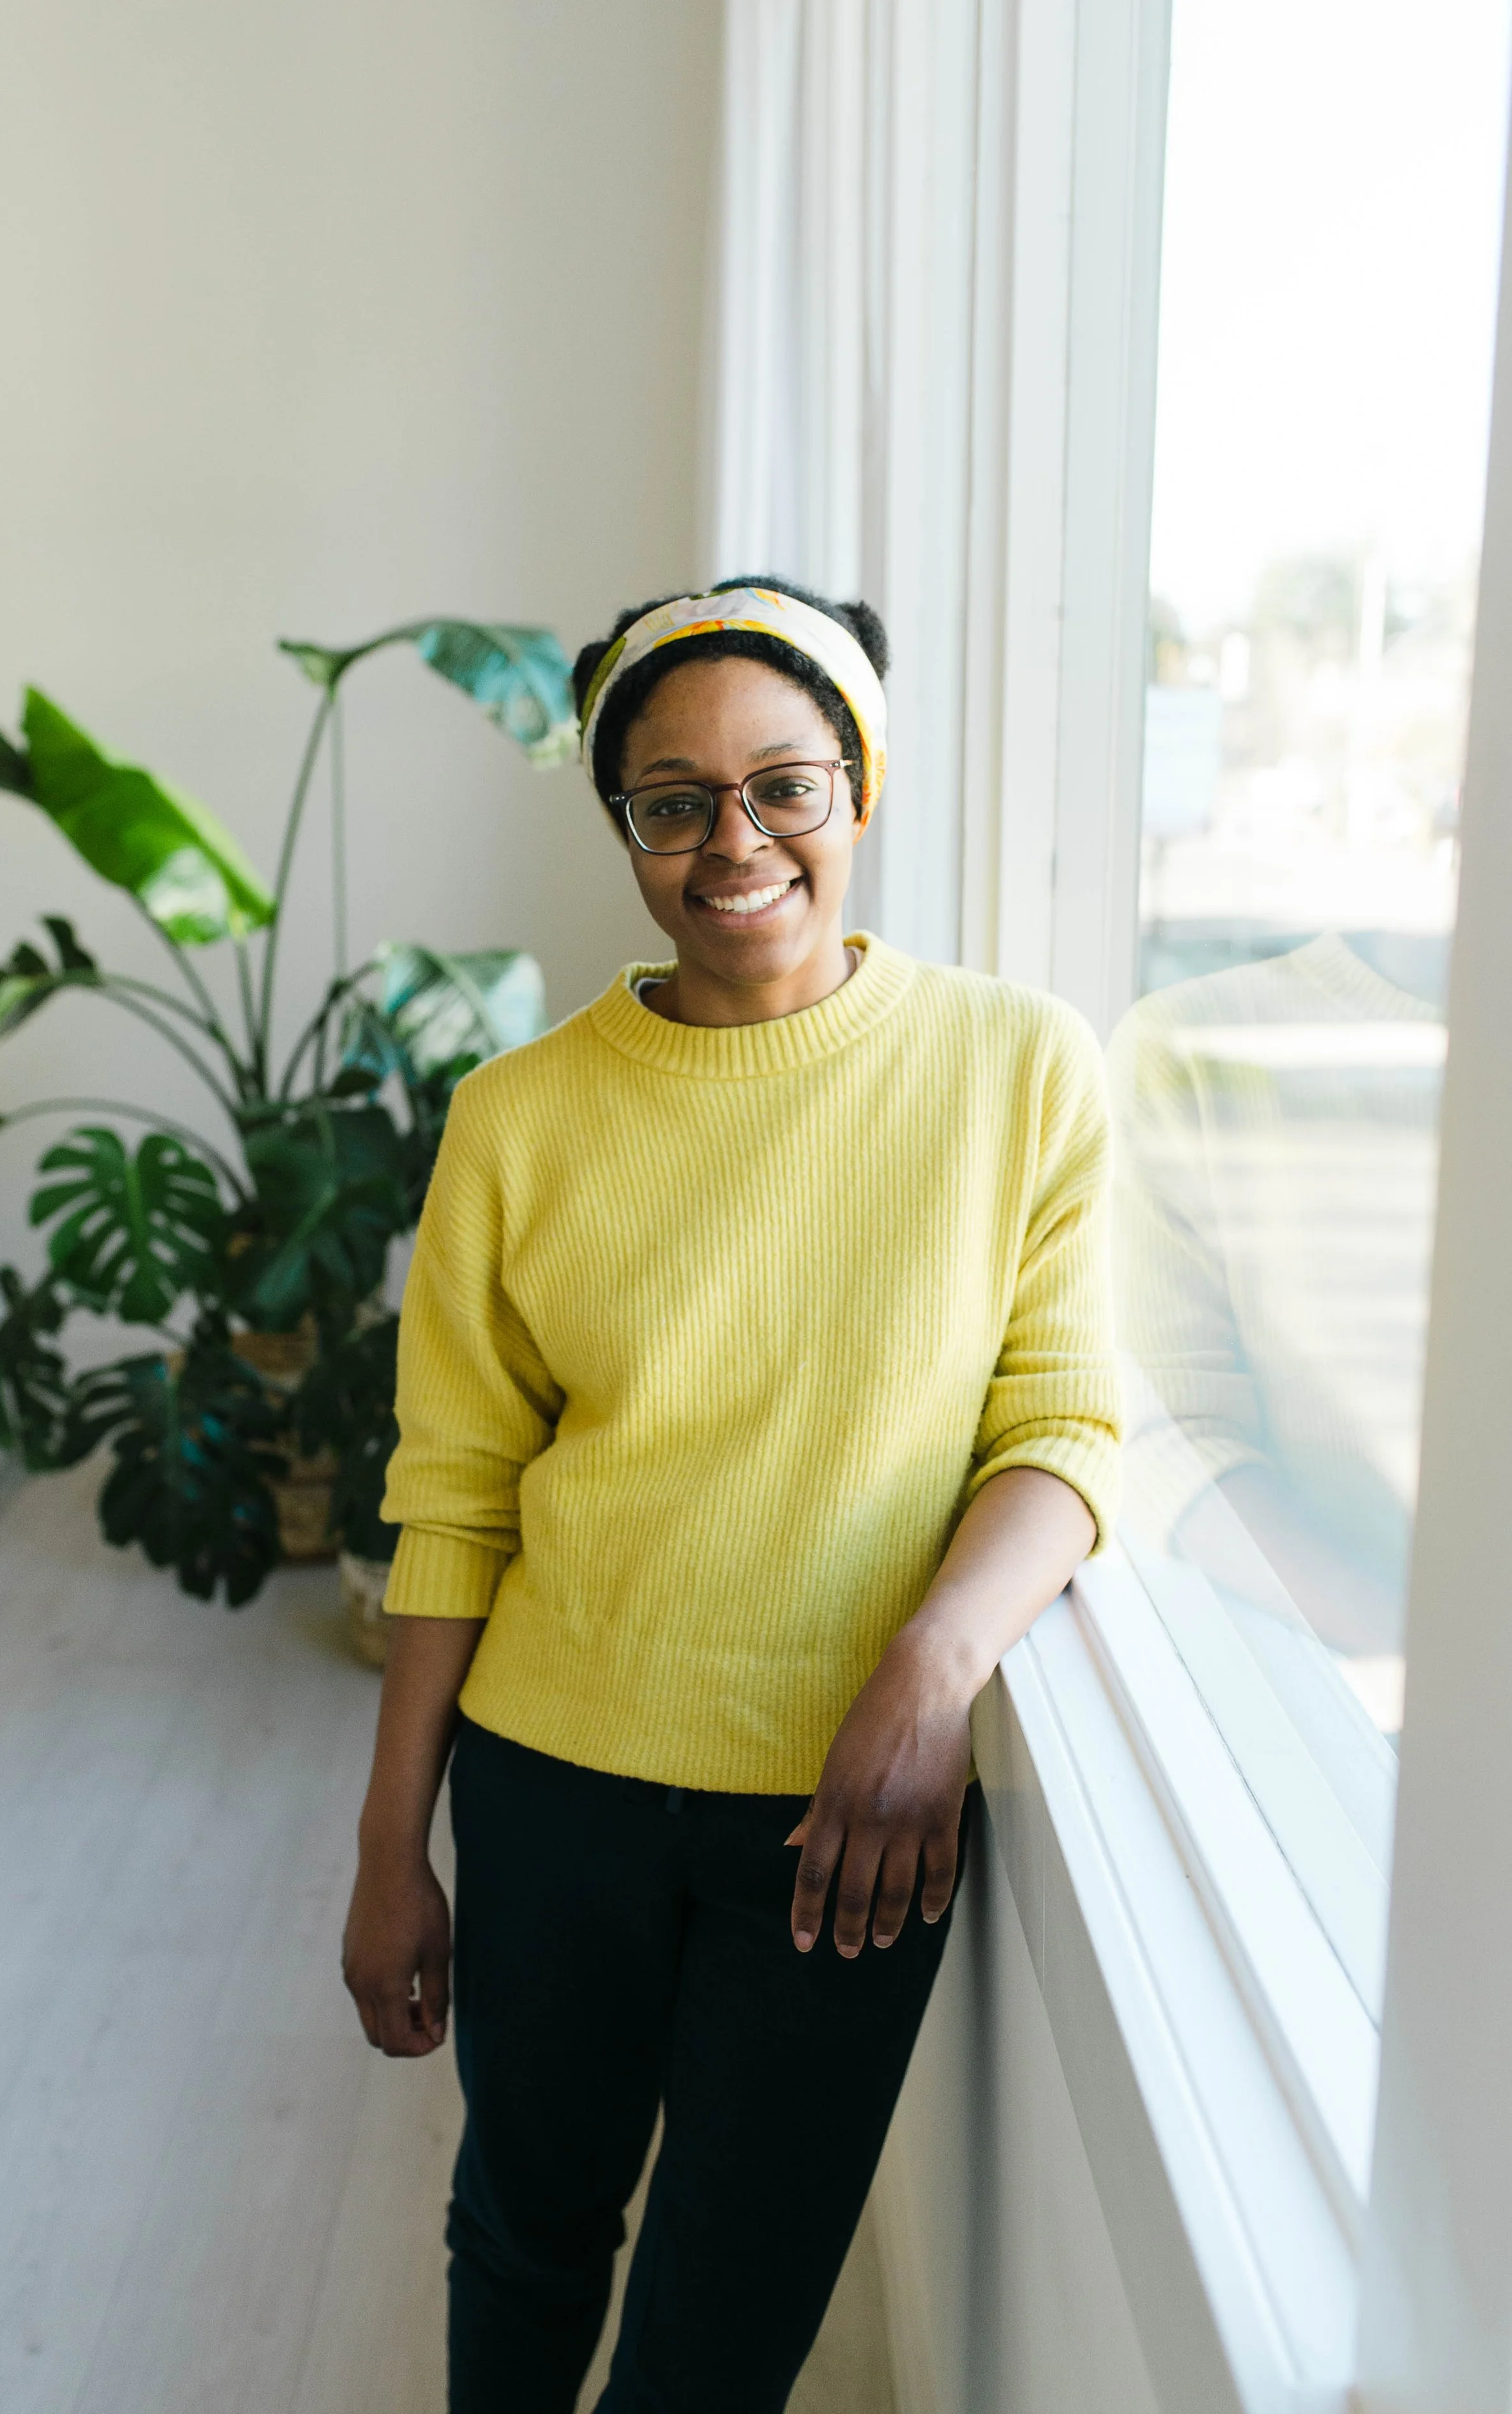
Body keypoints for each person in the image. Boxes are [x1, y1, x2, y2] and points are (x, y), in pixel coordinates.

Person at [342, 577, 1121, 2413]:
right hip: (550, 1787)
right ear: (623, 824)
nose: (735, 843)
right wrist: (389, 1851)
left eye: (786, 786)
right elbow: (455, 1500)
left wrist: (930, 1672)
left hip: (848, 1818)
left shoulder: (1016, 1066)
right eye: (674, 801)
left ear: (860, 789)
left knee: (726, 2319)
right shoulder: (518, 1115)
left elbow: (1064, 1431)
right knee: (525, 2232)